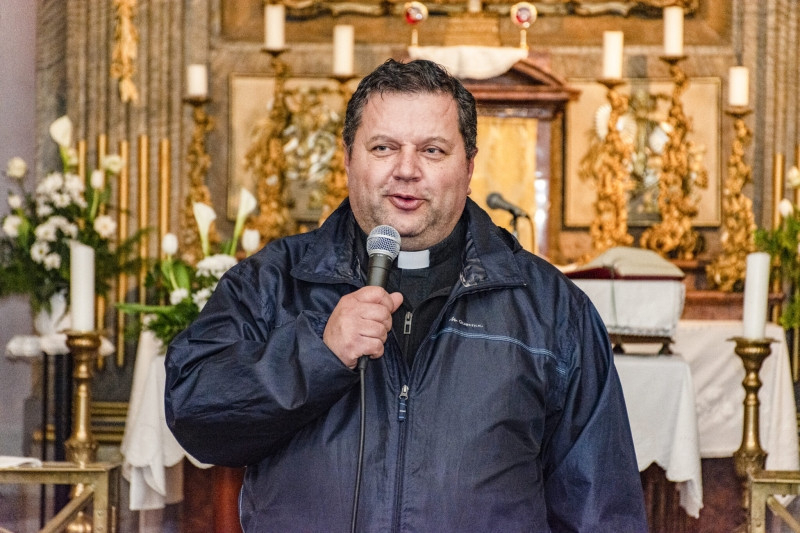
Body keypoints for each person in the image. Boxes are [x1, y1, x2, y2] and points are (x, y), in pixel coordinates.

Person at [165, 58, 648, 532]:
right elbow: (195, 413)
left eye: (433, 150)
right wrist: (317, 354)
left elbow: (601, 509)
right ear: (348, 157)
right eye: (383, 147)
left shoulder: (552, 307)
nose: (406, 170)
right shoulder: (274, 280)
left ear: (469, 166)